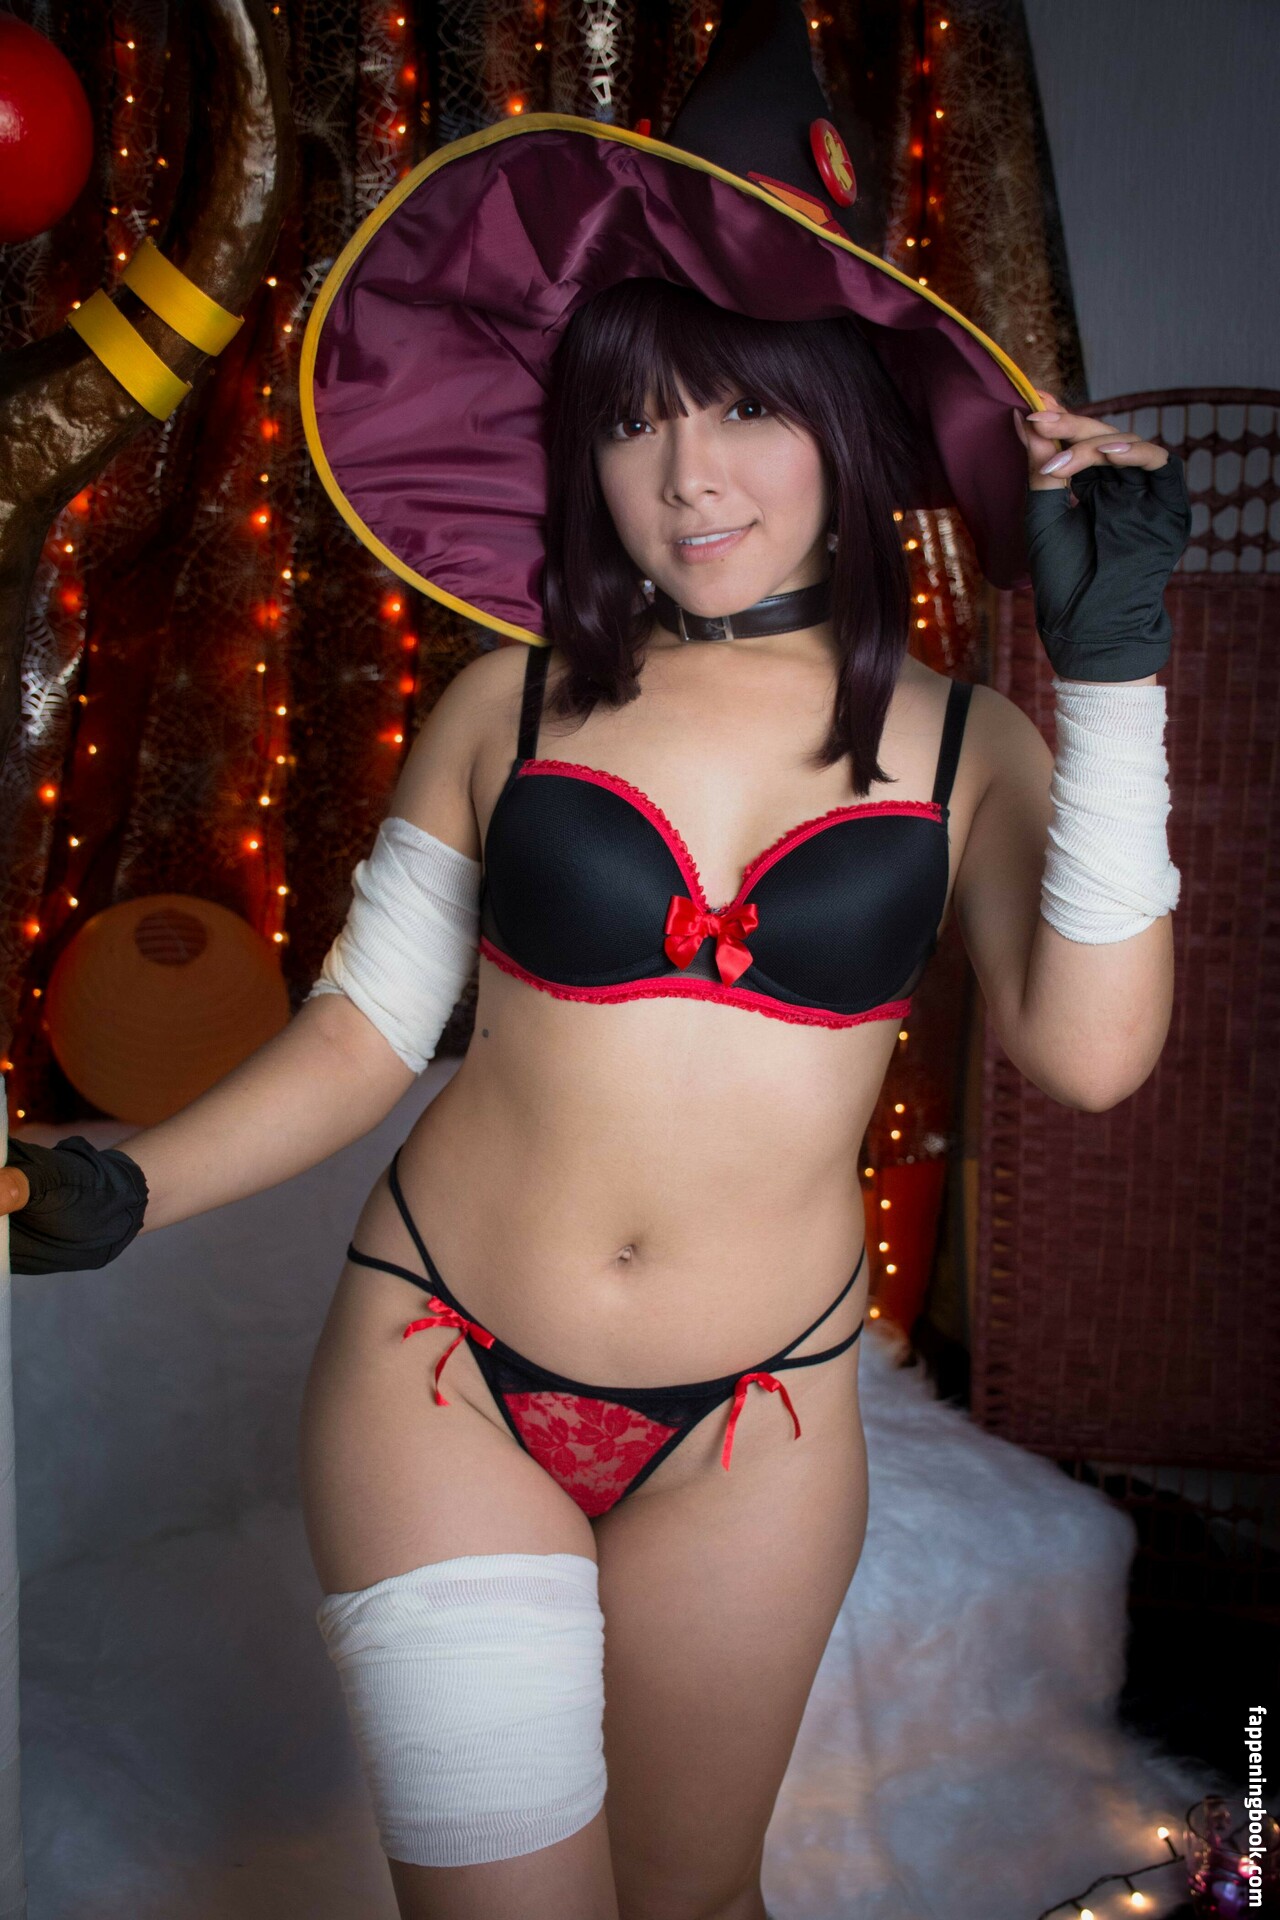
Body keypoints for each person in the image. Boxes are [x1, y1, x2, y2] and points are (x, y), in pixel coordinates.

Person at [3, 4, 1190, 1917]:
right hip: (438, 1371)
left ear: (847, 423)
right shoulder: (510, 702)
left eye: (744, 409)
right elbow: (366, 1029)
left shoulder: (973, 748)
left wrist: (1117, 675)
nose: (688, 475)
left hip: (762, 1418)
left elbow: (1097, 1053)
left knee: (699, 1903)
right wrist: (133, 1183)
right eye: (635, 420)